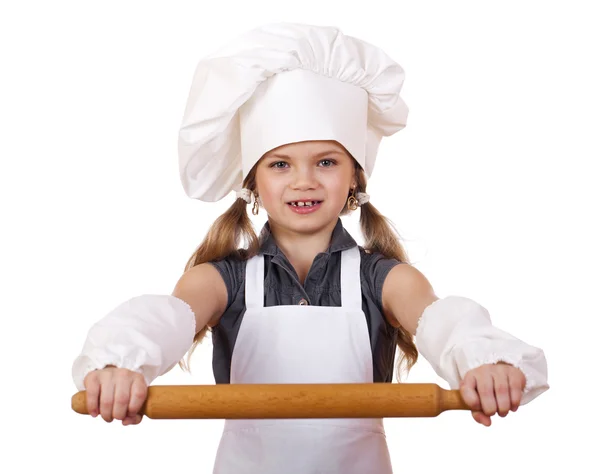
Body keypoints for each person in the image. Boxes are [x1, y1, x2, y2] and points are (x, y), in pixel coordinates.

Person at [72, 22, 549, 474]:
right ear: (254, 181)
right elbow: (162, 319)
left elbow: (443, 322)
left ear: (354, 177)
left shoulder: (384, 279)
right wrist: (118, 365)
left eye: (325, 161)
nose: (304, 180)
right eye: (280, 164)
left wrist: (487, 364)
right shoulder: (221, 280)